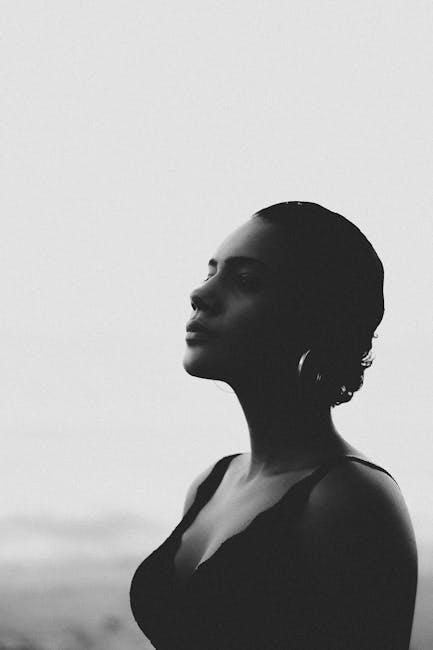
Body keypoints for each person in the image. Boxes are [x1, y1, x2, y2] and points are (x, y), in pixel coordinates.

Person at [130, 201, 417, 649]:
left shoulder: (351, 500)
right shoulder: (211, 483)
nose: (200, 293)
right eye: (211, 272)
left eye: (246, 280)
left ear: (315, 319)